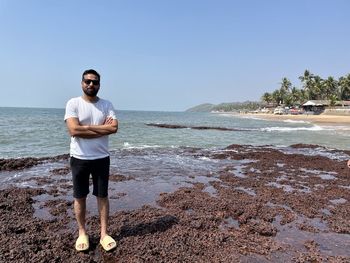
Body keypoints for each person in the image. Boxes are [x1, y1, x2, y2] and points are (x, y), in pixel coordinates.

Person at [64, 69, 118, 252]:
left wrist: (84, 127)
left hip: (102, 158)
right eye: (87, 81)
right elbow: (74, 130)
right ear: (82, 83)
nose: (91, 85)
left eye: (94, 82)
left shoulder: (106, 104)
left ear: (99, 85)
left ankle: (104, 234)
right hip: (79, 158)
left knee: (102, 196)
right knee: (80, 196)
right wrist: (101, 127)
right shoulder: (73, 103)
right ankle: (82, 233)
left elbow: (114, 128)